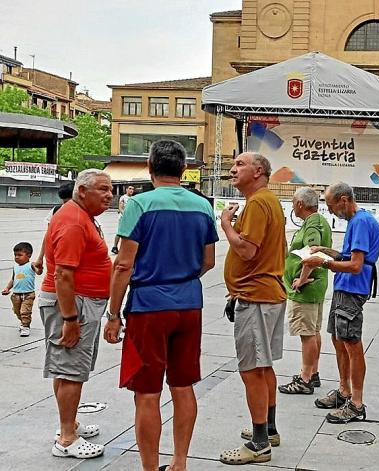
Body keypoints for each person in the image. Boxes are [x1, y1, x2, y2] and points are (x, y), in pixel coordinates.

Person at [103, 140, 218, 471]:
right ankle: (179, 462)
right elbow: (208, 261)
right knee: (183, 386)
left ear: (149, 168)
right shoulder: (202, 206)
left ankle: (150, 468)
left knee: (148, 393)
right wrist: (180, 278)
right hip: (189, 305)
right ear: (184, 170)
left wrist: (113, 315)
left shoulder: (139, 205)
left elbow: (123, 265)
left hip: (148, 308)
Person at [39, 169, 113, 459]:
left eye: (110, 189)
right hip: (73, 305)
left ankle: (68, 425)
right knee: (71, 371)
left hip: (81, 303)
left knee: (67, 368)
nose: (109, 195)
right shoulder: (73, 221)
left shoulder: (81, 216)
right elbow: (63, 275)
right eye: (103, 189)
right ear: (82, 191)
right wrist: (70, 320)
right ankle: (67, 439)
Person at [219, 152, 287, 465]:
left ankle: (259, 443)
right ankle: (268, 428)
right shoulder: (266, 201)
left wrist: (225, 224)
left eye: (240, 165)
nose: (233, 169)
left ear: (258, 171)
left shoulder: (259, 202)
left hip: (256, 296)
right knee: (263, 367)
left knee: (251, 371)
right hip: (265, 294)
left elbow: (246, 249)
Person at [302, 182, 379, 424]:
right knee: (339, 340)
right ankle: (344, 391)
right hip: (345, 287)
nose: (330, 210)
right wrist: (323, 250)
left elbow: (356, 265)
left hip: (352, 288)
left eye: (331, 205)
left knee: (351, 343)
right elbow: (347, 256)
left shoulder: (359, 222)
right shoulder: (358, 221)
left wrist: (322, 263)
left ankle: (356, 403)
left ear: (344, 200)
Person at [278, 187, 332, 395]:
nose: (292, 206)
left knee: (307, 333)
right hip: (316, 285)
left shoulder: (312, 225)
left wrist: (300, 278)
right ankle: (313, 373)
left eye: (293, 202)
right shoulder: (318, 222)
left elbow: (312, 253)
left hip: (306, 288)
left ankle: (305, 378)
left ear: (300, 204)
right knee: (313, 331)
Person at [33, 181, 75, 274]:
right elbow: (48, 235)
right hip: (57, 256)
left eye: (69, 201)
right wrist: (40, 257)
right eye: (64, 201)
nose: (66, 205)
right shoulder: (56, 211)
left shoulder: (84, 212)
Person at [2, 242, 39, 336]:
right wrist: (7, 288)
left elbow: (38, 272)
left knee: (25, 311)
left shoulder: (31, 265)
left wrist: (40, 268)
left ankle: (26, 326)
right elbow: (13, 279)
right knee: (17, 311)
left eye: (20, 255)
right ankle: (23, 323)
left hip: (28, 294)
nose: (17, 257)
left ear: (29, 255)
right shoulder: (15, 267)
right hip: (16, 294)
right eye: (15, 255)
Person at [112, 185, 135, 254]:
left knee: (129, 233)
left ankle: (126, 247)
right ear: (126, 189)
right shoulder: (123, 197)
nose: (131, 190)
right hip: (123, 217)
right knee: (120, 232)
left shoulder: (133, 198)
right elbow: (120, 208)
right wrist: (125, 215)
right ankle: (115, 247)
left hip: (130, 218)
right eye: (130, 188)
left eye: (133, 189)